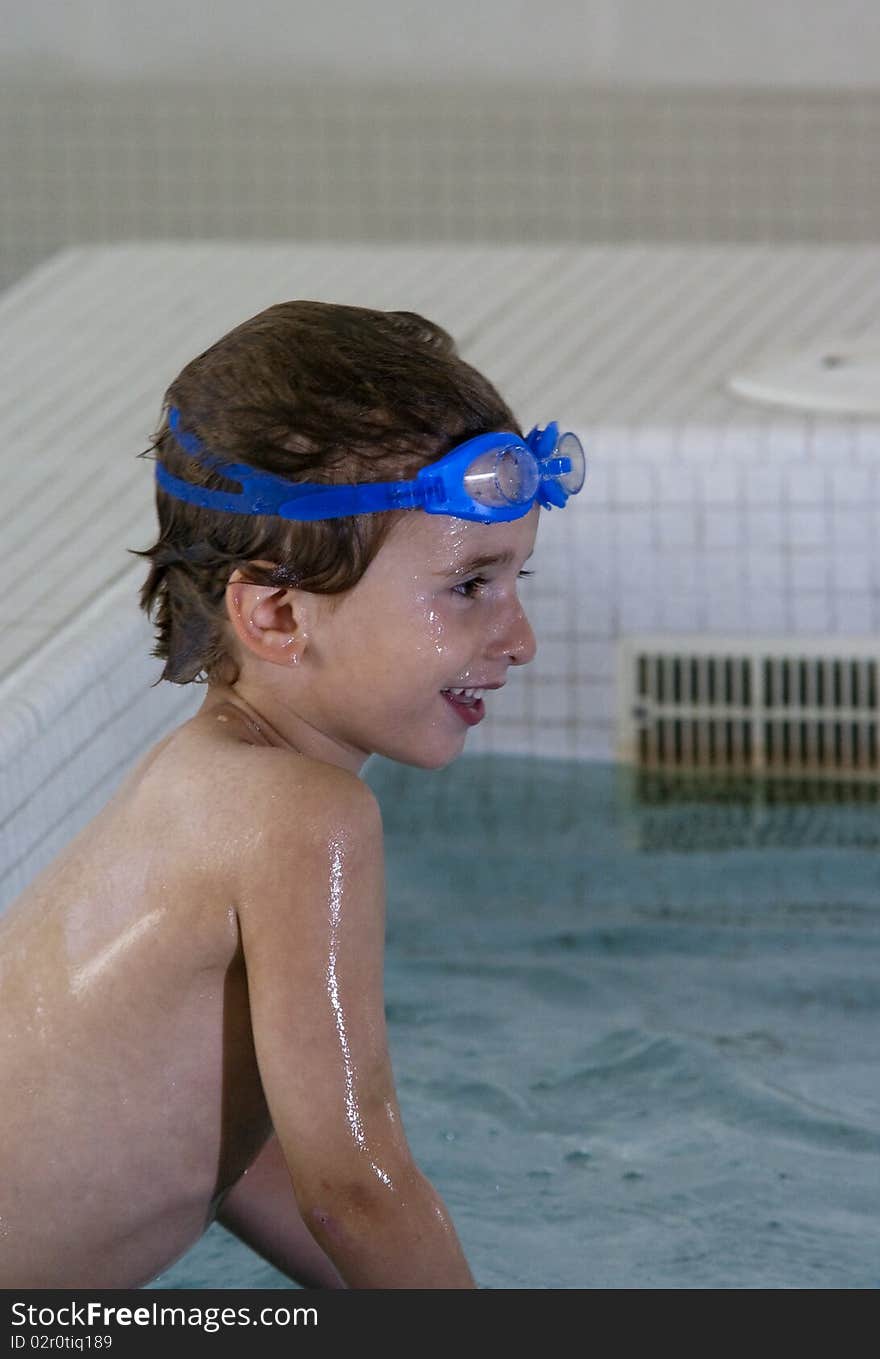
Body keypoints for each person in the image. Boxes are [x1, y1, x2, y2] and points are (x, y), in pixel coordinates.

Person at [0, 301, 584, 1289]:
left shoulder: (201, 784)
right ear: (275, 613)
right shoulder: (308, 822)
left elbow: (226, 1146)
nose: (519, 637)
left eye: (516, 579)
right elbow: (354, 1185)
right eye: (470, 586)